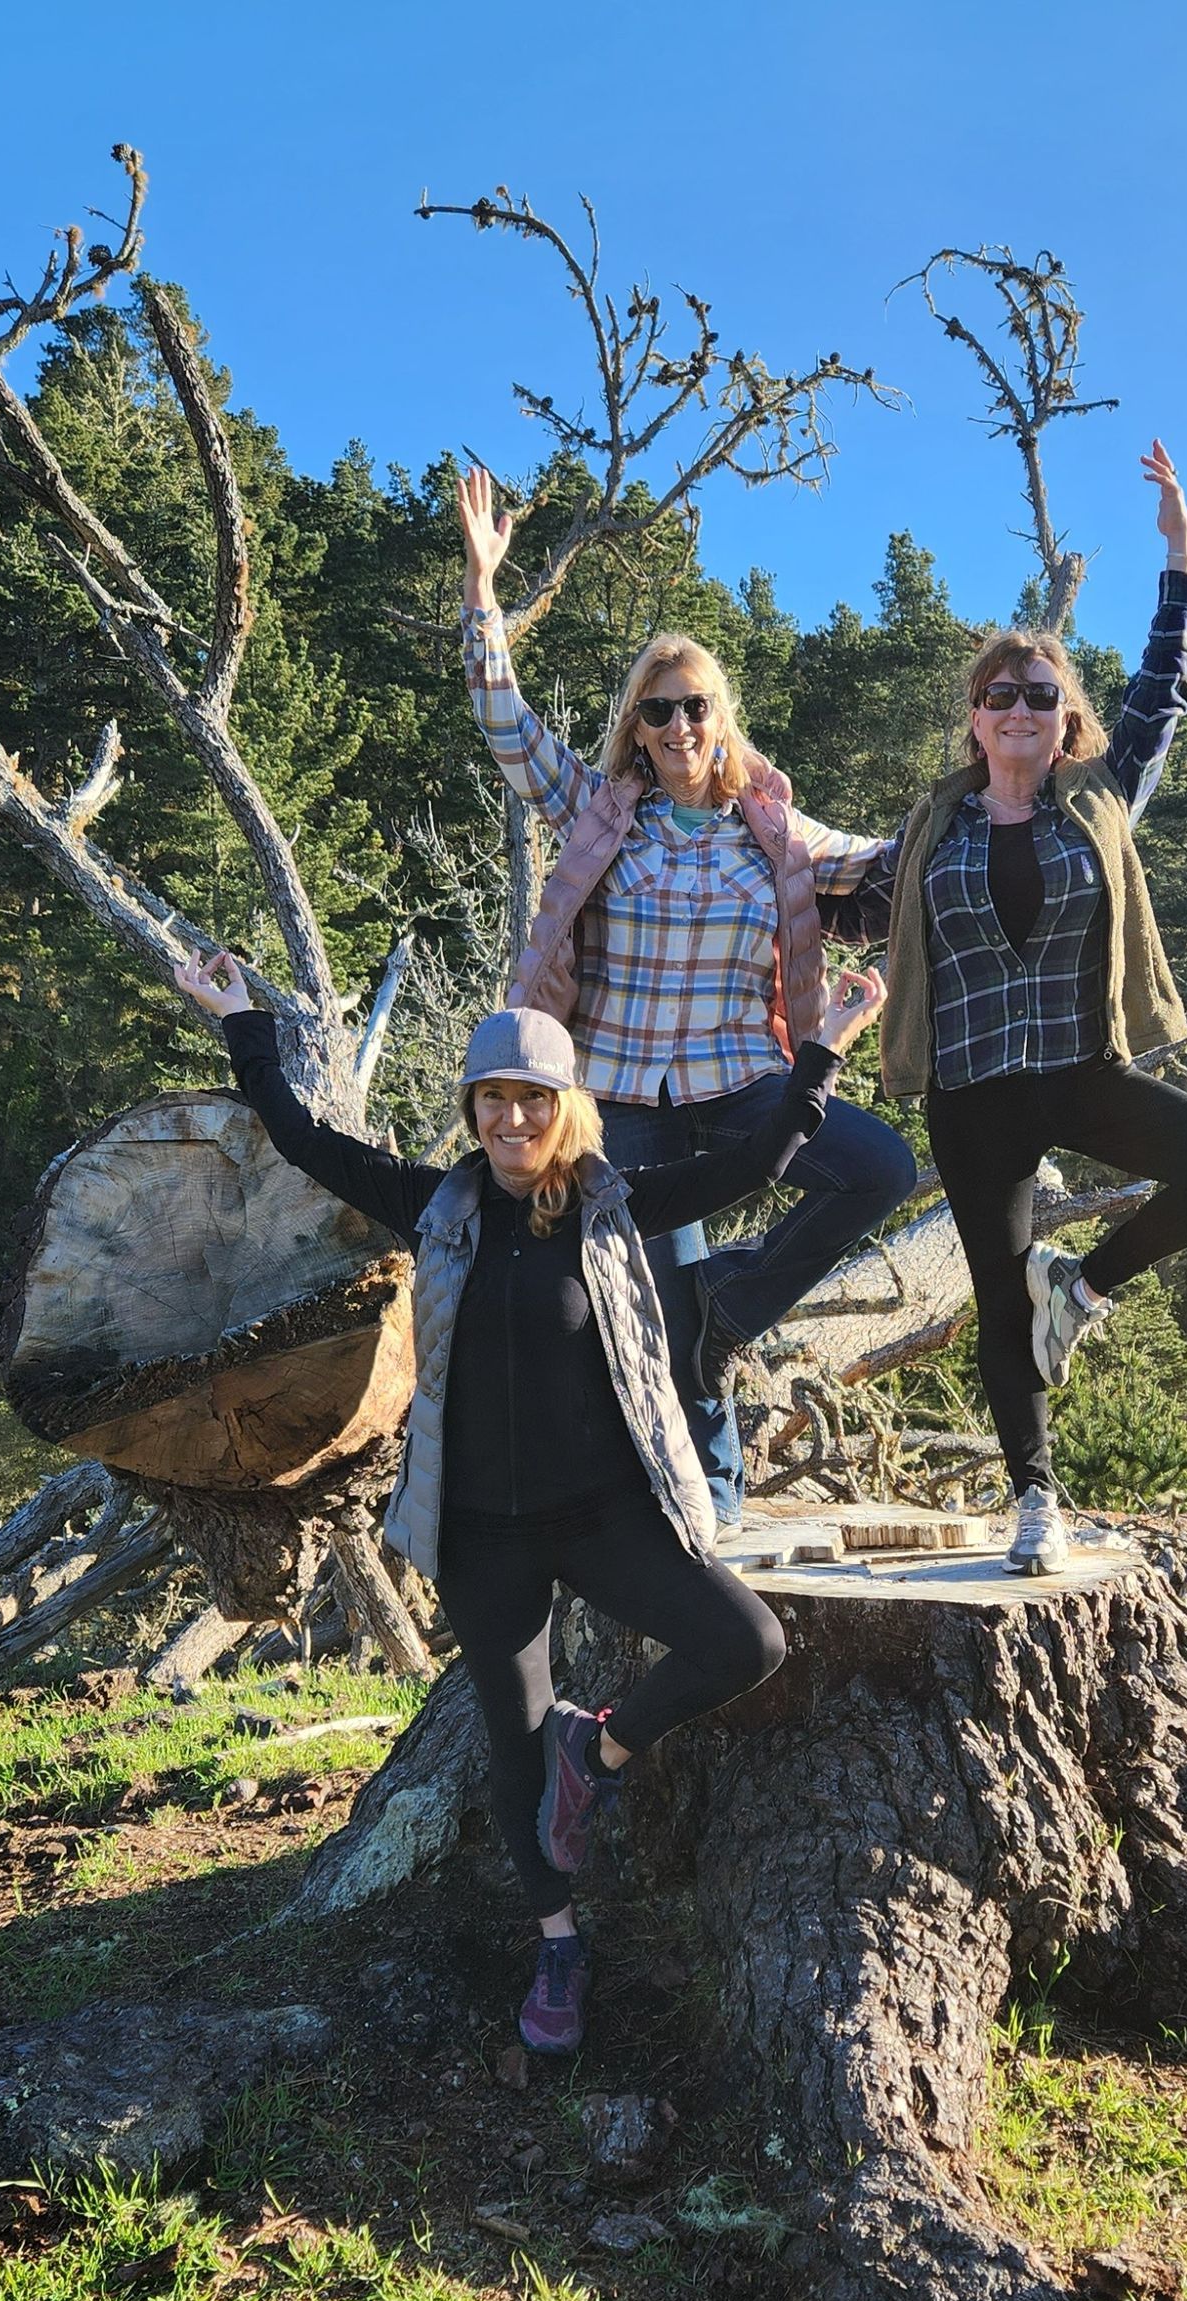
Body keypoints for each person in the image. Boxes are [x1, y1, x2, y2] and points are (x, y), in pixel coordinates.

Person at [173, 948, 887, 2054]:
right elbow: (303, 1141)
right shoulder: (438, 1205)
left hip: (606, 1516)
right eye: (492, 1099)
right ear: (473, 1108)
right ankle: (557, 1944)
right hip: (479, 1534)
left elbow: (763, 1158)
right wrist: (241, 1021)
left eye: (532, 1099)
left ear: (566, 1109)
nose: (511, 1118)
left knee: (746, 1641)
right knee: (511, 1748)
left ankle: (596, 1751)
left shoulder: (619, 1207)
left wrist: (826, 1045)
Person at [836, 443, 1187, 1576]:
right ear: (976, 720)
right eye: (1001, 697)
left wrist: (1182, 561)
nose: (1022, 708)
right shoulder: (931, 829)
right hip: (972, 1092)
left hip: (1083, 1068)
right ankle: (1035, 1499)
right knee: (997, 1302)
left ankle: (1078, 1289)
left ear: (1064, 715)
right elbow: (845, 906)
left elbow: (1166, 690)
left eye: (1042, 695)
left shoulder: (1100, 799)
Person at [456, 465, 917, 1527]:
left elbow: (896, 862)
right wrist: (484, 589)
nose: (674, 726)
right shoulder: (598, 811)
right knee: (652, 1314)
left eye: (692, 707)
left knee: (876, 1169)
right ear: (637, 725)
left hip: (743, 1085)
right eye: (655, 711)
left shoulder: (776, 833)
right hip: (616, 1093)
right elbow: (505, 722)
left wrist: (990, 800)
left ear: (722, 716)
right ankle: (701, 1502)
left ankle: (736, 1304)